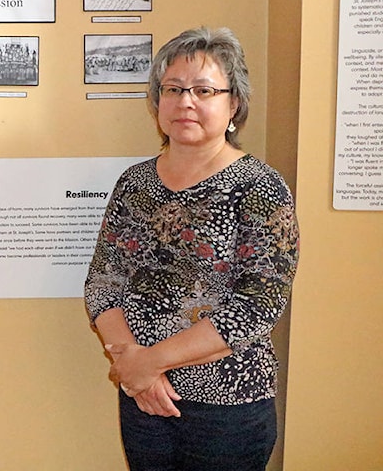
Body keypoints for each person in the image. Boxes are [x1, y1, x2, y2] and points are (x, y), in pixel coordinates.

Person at [84, 26, 300, 471]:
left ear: (233, 103)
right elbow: (103, 285)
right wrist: (138, 373)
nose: (186, 101)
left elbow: (258, 306)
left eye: (204, 90)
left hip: (228, 406)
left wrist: (146, 363)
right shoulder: (135, 183)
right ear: (157, 101)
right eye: (173, 89)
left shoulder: (260, 187)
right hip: (145, 400)